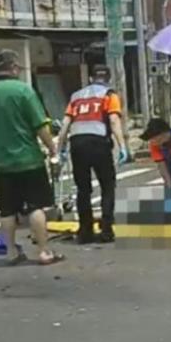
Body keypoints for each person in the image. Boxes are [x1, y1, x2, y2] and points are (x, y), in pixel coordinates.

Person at [0, 49, 64, 266]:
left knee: (7, 209)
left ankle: (11, 253)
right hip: (29, 160)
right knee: (36, 207)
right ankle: (44, 252)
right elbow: (40, 126)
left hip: (1, 163)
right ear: (14, 67)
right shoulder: (23, 91)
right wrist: (53, 148)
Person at [56, 65, 128, 244]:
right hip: (99, 144)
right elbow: (113, 120)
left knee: (83, 189)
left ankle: (85, 231)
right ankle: (106, 229)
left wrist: (61, 148)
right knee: (107, 186)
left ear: (90, 78)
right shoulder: (110, 95)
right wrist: (123, 146)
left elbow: (65, 124)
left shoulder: (76, 96)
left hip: (77, 144)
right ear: (109, 79)